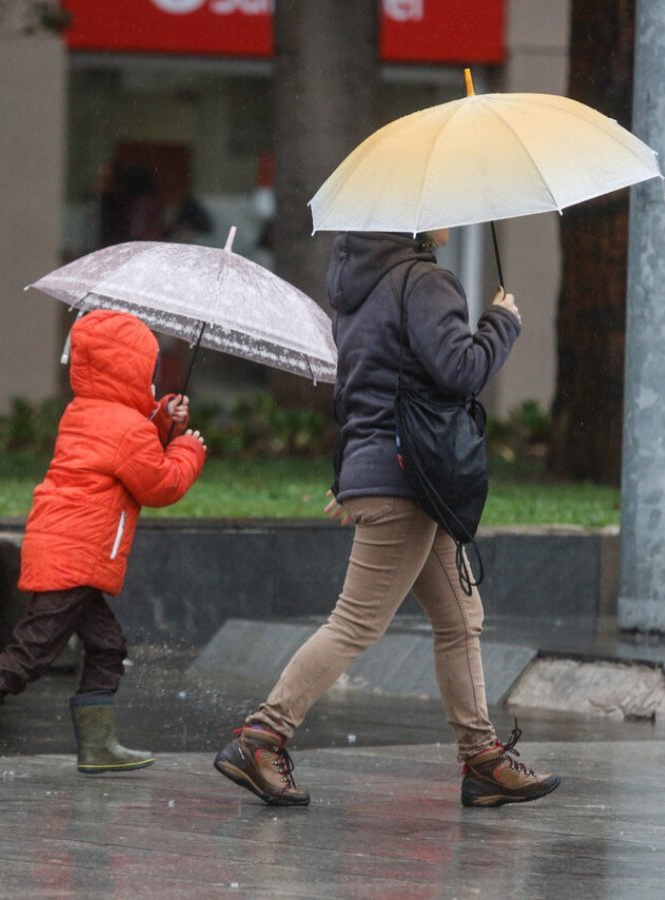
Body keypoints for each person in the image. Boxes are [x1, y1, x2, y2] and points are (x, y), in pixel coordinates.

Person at [212, 229, 559, 809]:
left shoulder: (358, 288)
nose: (452, 220)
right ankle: (263, 736)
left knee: (460, 617)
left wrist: (348, 472)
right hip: (408, 477)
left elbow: (353, 388)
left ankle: (483, 760)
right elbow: (460, 370)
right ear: (415, 220)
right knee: (356, 623)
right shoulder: (424, 281)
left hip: (397, 475)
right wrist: (501, 322)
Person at [0, 310, 207, 777]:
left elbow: (128, 436)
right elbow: (160, 485)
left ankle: (98, 746)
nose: (153, 381)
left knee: (107, 645)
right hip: (79, 556)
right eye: (149, 373)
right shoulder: (127, 430)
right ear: (132, 370)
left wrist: (161, 415)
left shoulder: (85, 412)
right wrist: (187, 448)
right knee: (32, 652)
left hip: (63, 548)